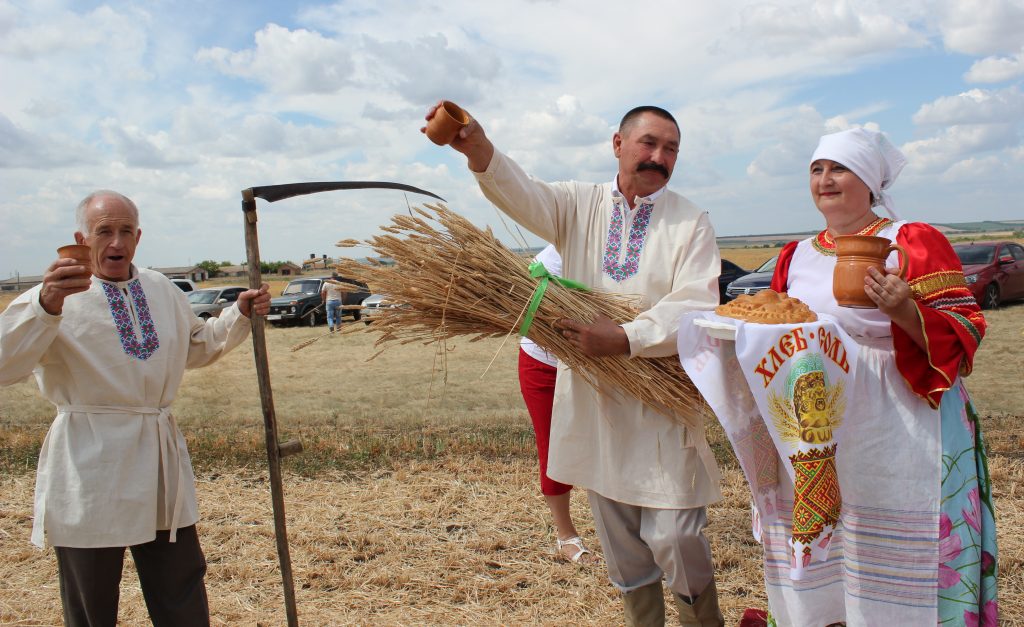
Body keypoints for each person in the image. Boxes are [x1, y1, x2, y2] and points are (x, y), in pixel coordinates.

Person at [426, 104, 725, 626]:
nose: (659, 157)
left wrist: (627, 337)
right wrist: (478, 148)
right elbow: (525, 193)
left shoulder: (690, 220)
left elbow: (696, 305)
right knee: (624, 548)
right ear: (617, 143)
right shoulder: (578, 205)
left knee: (677, 536)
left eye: (671, 149)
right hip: (594, 403)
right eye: (649, 143)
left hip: (661, 402)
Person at [0, 190, 271, 626]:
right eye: (104, 231)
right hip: (91, 463)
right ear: (81, 238)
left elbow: (196, 346)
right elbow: (4, 364)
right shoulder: (52, 296)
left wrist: (237, 314)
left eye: (125, 231)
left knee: (180, 584)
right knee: (92, 597)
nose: (116, 243)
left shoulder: (160, 288)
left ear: (138, 237)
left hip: (157, 458)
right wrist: (45, 306)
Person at [764, 128, 998, 625]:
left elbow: (965, 327)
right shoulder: (795, 254)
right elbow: (777, 327)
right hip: (823, 417)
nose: (825, 180)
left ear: (869, 182)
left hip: (903, 411)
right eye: (816, 169)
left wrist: (904, 311)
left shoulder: (910, 240)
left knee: (904, 535)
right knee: (839, 535)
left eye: (839, 169)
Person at [518, 243, 595, 565]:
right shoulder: (558, 252)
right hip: (543, 363)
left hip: (599, 361)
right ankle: (566, 534)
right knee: (553, 446)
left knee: (608, 442)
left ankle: (623, 527)